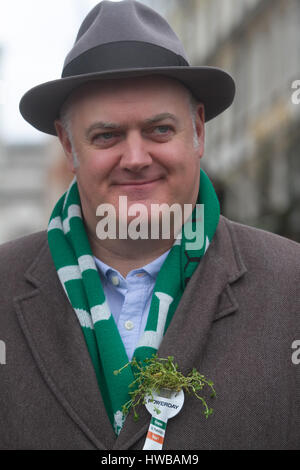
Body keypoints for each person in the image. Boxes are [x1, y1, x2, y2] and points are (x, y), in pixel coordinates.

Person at [0, 0, 299, 451]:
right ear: (67, 145)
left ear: (198, 130)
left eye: (159, 130)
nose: (136, 159)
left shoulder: (291, 284)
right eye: (107, 136)